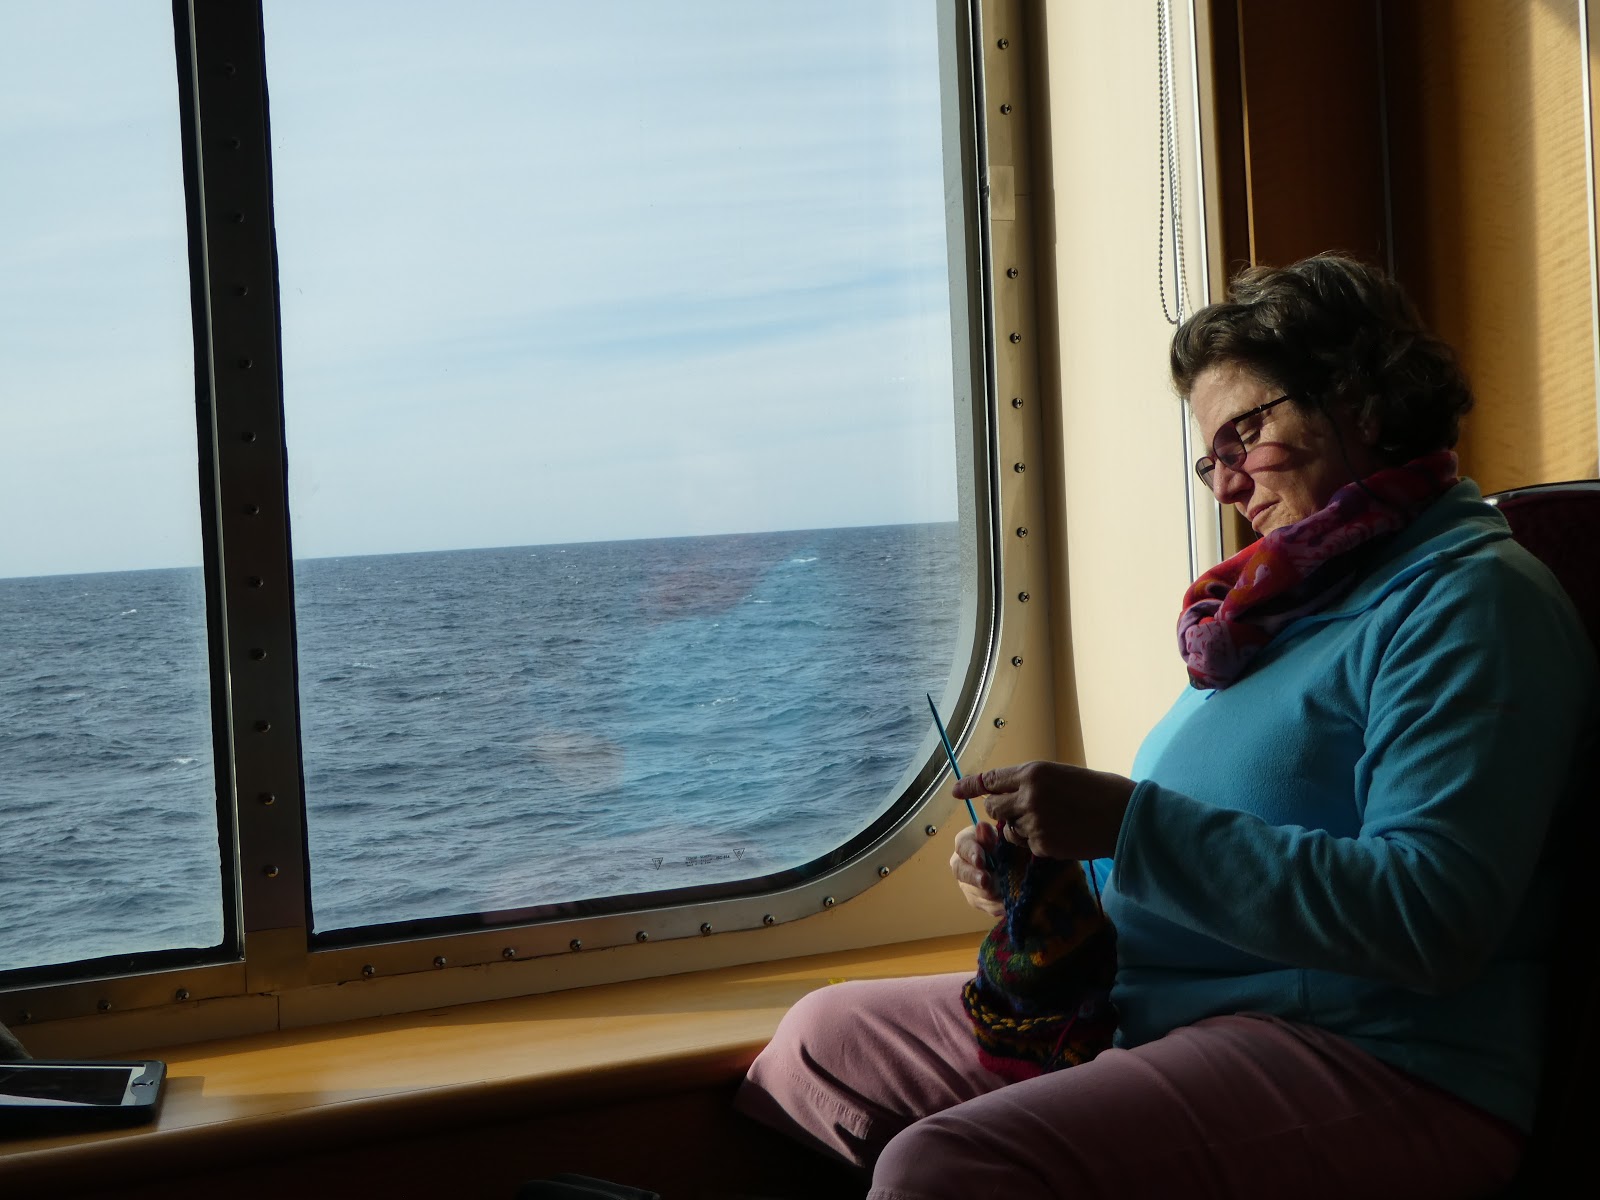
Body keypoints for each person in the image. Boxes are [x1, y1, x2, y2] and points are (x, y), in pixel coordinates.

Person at [734, 254, 1598, 1198]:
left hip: (1379, 1054)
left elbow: (1430, 917)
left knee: (941, 1165)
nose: (1225, 485)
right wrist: (1056, 878)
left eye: (1245, 434)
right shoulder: (1286, 604)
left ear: (1361, 401)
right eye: (1208, 456)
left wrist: (1127, 826)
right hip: (1162, 996)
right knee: (821, 1045)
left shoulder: (1470, 602)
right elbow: (1202, 849)